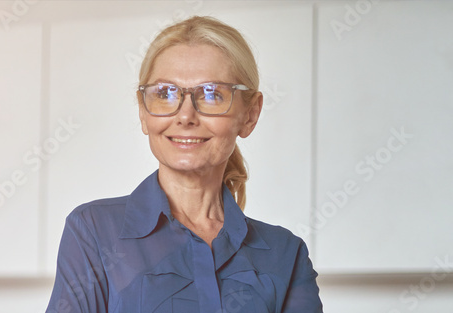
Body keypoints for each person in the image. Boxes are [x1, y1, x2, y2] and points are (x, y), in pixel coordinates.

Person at [46, 16, 323, 313]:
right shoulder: (94, 231)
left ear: (250, 114)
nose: (186, 116)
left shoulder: (285, 254)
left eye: (212, 94)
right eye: (165, 94)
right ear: (143, 112)